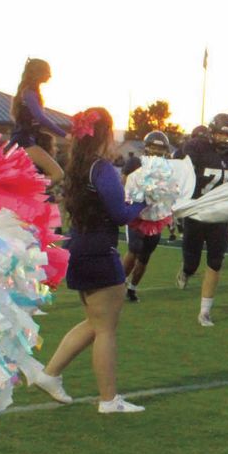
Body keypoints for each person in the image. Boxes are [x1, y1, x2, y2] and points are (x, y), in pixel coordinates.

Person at [38, 108, 146, 413]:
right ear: (106, 134)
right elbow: (120, 214)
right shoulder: (101, 169)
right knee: (106, 328)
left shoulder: (76, 167)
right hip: (99, 251)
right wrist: (147, 201)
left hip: (79, 248)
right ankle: (109, 399)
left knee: (95, 323)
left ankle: (49, 374)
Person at [176, 113, 228, 326]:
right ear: (211, 133)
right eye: (220, 134)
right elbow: (183, 172)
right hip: (197, 212)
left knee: (215, 262)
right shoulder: (197, 148)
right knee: (192, 262)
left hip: (220, 213)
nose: (224, 139)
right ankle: (186, 270)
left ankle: (205, 312)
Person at [122, 131, 173, 303]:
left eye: (160, 148)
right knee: (134, 250)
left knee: (145, 255)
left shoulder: (167, 167)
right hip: (136, 214)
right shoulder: (135, 163)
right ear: (146, 147)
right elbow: (124, 184)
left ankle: (132, 288)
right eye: (153, 147)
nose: (157, 151)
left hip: (155, 216)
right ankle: (117, 286)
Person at [9, 58, 67, 183]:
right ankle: (31, 192)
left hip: (23, 140)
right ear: (38, 73)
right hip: (24, 141)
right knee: (57, 174)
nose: (50, 75)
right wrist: (65, 134)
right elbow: (41, 118)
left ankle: (30, 192)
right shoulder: (29, 93)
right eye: (47, 71)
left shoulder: (27, 92)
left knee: (34, 175)